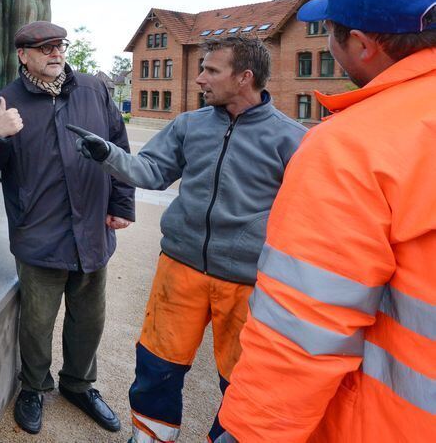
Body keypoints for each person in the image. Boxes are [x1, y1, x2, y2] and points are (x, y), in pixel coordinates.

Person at [215, 0, 436, 442]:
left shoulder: (356, 144)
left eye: (330, 34)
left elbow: (305, 321)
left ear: (360, 44)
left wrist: (251, 431)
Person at [67, 33, 306, 443]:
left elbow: (304, 217)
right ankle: (150, 437)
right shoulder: (189, 124)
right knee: (157, 365)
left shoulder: (292, 139)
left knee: (243, 378)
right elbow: (151, 171)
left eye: (211, 70)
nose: (199, 79)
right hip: (180, 268)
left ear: (244, 77)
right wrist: (107, 153)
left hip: (248, 282)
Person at [0, 20, 135, 435]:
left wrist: (121, 203)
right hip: (39, 231)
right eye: (44, 47)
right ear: (23, 55)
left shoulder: (93, 90)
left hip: (93, 230)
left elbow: (118, 148)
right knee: (37, 321)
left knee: (89, 316)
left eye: (59, 45)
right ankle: (34, 388)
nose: (55, 53)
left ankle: (80, 385)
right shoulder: (4, 102)